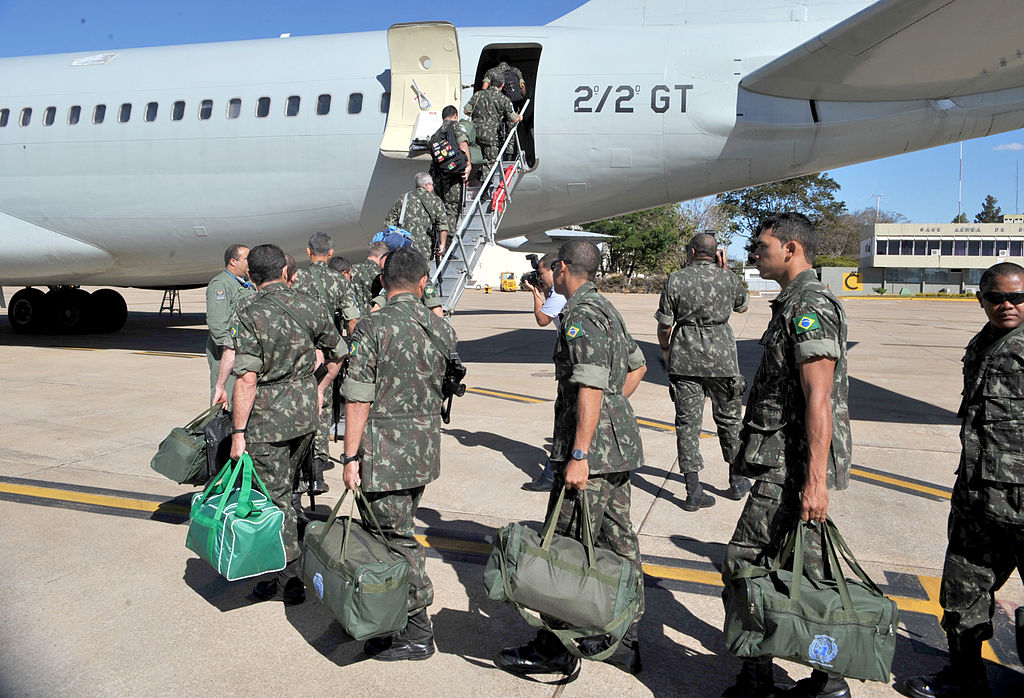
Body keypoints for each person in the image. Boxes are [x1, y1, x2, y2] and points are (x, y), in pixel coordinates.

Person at [497, 240, 647, 678]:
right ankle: (624, 640)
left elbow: (590, 386)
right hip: (617, 450)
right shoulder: (606, 308)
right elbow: (636, 368)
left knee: (559, 545)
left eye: (550, 270)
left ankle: (554, 646)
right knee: (619, 544)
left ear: (561, 268)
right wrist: (611, 418)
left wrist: (581, 451)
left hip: (590, 456)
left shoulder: (580, 316)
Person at [720, 213, 851, 698]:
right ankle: (823, 679)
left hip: (792, 468)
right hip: (784, 464)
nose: (755, 253)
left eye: (762, 245)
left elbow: (820, 398)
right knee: (799, 570)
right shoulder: (793, 302)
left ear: (791, 248)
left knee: (745, 564)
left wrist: (814, 482)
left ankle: (765, 678)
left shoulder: (809, 305)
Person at [904, 262, 1024, 698]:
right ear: (981, 298)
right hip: (978, 498)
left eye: (1017, 298)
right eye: (996, 297)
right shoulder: (984, 343)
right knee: (961, 594)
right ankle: (964, 679)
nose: (1006, 305)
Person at [341, 248, 457, 661]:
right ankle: (394, 617)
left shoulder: (372, 326)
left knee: (395, 539)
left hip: (384, 455)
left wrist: (350, 457)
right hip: (423, 453)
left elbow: (357, 399)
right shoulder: (440, 328)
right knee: (394, 531)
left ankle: (417, 628)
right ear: (423, 282)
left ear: (383, 281)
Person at [227, 244, 347, 605]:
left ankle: (288, 576)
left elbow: (247, 379)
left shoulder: (247, 310)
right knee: (290, 491)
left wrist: (237, 433)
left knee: (274, 499)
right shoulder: (309, 305)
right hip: (306, 417)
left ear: (251, 276)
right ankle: (291, 565)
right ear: (284, 272)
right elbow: (340, 351)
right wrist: (318, 385)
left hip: (268, 422)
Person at [656, 233, 751, 511]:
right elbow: (742, 306)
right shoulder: (728, 278)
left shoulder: (676, 279)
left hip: (685, 359)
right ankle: (736, 480)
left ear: (693, 251)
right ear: (716, 253)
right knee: (730, 421)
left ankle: (693, 490)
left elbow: (665, 325)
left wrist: (665, 348)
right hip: (722, 360)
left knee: (687, 425)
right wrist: (727, 271)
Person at [291, 232, 361, 494]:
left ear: (308, 252)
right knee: (324, 402)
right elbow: (352, 320)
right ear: (331, 253)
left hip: (301, 349)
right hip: (330, 350)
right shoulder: (340, 282)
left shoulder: (297, 277)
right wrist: (354, 350)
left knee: (300, 399)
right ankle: (318, 462)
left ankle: (299, 456)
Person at [521, 252, 567, 492]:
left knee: (565, 421)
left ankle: (551, 475)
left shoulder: (559, 295)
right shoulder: (561, 293)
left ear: (556, 270)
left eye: (541, 273)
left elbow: (542, 319)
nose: (540, 278)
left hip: (573, 367)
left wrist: (534, 294)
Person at [207, 244, 254, 408]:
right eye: (246, 258)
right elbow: (218, 325)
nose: (250, 261)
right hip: (227, 354)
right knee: (225, 403)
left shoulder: (246, 284)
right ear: (233, 261)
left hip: (243, 354)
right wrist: (232, 348)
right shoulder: (221, 285)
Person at [384, 173, 451, 264]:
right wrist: (442, 245)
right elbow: (443, 226)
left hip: (403, 247)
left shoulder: (403, 198)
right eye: (432, 185)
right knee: (421, 274)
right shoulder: (436, 201)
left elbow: (388, 223)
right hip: (423, 248)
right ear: (427, 185)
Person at [465, 76, 521, 177]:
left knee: (475, 159)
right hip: (491, 136)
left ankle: (473, 179)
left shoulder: (478, 95)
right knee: (490, 162)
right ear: (502, 85)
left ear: (490, 83)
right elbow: (513, 118)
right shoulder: (504, 99)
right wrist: (519, 117)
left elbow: (466, 111)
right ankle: (485, 187)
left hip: (475, 134)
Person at [430, 105, 472, 228]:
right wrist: (468, 165)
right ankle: (448, 240)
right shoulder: (456, 126)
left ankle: (439, 236)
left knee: (441, 208)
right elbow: (462, 144)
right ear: (455, 116)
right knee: (453, 207)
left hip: (440, 176)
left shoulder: (435, 134)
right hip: (454, 175)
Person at [350, 241, 390, 314]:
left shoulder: (352, 270)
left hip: (357, 318)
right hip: (375, 315)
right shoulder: (380, 272)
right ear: (382, 255)